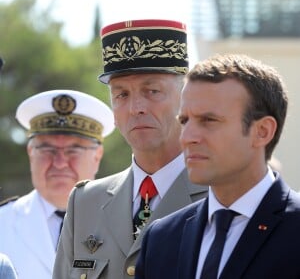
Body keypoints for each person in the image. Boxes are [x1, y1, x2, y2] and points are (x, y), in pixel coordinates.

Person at [53, 19, 208, 279]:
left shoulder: (219, 197)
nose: (136, 107)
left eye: (152, 91)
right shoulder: (86, 203)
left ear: (186, 99)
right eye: (122, 95)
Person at [135, 53, 300, 279]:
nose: (188, 137)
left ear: (262, 132)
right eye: (184, 121)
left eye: (209, 120)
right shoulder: (161, 239)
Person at [0, 89, 115, 279]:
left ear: (97, 155)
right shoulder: (3, 223)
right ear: (30, 152)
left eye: (74, 149)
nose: (60, 162)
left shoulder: (126, 224)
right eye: (47, 149)